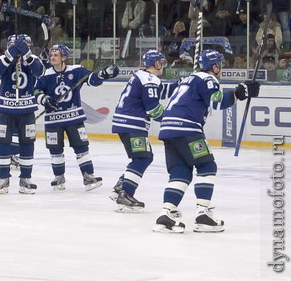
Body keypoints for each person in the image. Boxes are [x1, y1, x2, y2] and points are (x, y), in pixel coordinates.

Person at [153, 50, 259, 233]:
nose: (221, 68)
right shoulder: (208, 79)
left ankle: (166, 215)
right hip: (187, 129)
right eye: (220, 64)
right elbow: (216, 102)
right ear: (214, 66)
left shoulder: (188, 79)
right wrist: (239, 92)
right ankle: (202, 214)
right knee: (207, 166)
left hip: (168, 130)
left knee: (181, 172)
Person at [35, 44, 117, 191]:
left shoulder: (76, 70)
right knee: (55, 150)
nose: (52, 57)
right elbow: (35, 91)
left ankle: (88, 176)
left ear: (64, 58)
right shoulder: (45, 74)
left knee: (81, 148)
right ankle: (59, 177)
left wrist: (103, 74)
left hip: (74, 118)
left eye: (56, 55)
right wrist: (44, 99)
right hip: (53, 121)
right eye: (51, 55)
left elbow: (92, 79)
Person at [110, 50, 176, 212]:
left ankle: (121, 186)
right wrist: (171, 120)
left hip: (126, 123)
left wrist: (181, 84)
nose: (163, 65)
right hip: (133, 124)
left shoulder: (142, 76)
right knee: (142, 158)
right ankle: (125, 194)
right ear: (156, 63)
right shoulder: (150, 79)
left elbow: (159, 91)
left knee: (143, 157)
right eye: (161, 62)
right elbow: (153, 108)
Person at [0, 34, 45, 194]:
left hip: (26, 110)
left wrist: (27, 55)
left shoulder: (33, 59)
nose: (18, 49)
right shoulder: (2, 58)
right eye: (12, 46)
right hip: (5, 110)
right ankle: (3, 178)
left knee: (27, 143)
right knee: (1, 143)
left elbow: (39, 72)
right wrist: (10, 55)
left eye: (23, 46)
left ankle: (25, 179)